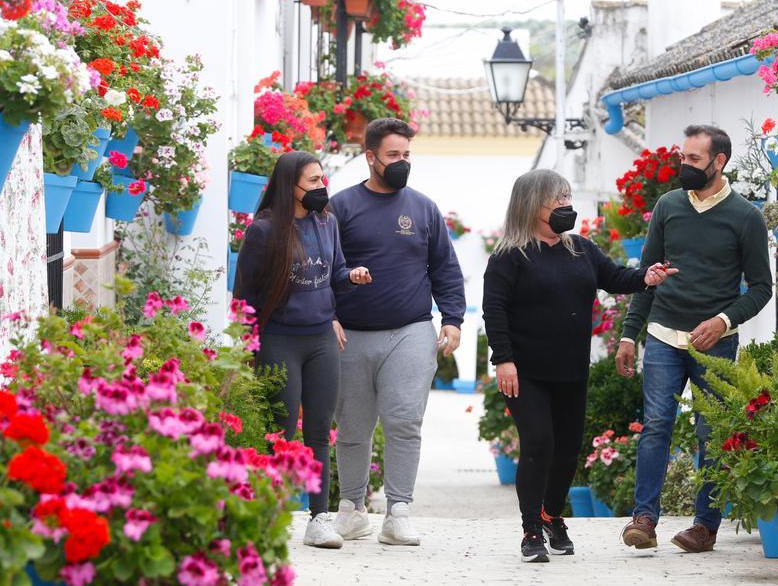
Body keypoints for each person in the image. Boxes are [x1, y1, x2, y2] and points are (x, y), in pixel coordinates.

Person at [482, 169, 677, 563]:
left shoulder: (581, 249)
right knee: (539, 444)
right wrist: (503, 360)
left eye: (567, 197)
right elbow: (494, 310)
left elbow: (616, 277)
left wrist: (647, 277)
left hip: (571, 369)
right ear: (530, 205)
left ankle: (552, 516)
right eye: (556, 200)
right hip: (524, 371)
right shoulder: (509, 257)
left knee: (568, 450)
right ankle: (530, 530)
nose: (565, 206)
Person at [617, 125, 774, 553]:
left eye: (692, 159)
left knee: (712, 433)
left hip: (716, 342)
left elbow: (762, 287)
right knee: (655, 427)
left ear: (718, 162)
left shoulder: (746, 217)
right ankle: (644, 519)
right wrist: (630, 335)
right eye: (682, 157)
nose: (682, 165)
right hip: (664, 335)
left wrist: (723, 321)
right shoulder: (667, 206)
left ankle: (705, 526)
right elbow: (647, 276)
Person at [329, 117, 466, 546]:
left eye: (407, 154)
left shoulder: (423, 208)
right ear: (370, 157)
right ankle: (351, 509)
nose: (402, 162)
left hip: (410, 331)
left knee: (405, 421)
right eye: (393, 155)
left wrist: (452, 319)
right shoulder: (340, 207)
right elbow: (322, 266)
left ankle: (399, 511)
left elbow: (445, 267)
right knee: (352, 427)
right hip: (349, 334)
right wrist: (327, 313)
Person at [231, 150, 373, 549]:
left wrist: (353, 276)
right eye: (312, 181)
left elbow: (336, 273)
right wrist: (247, 344)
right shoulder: (263, 231)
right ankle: (269, 516)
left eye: (322, 179)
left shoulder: (327, 223)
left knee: (318, 434)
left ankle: (319, 518)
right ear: (289, 186)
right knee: (280, 430)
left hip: (321, 340)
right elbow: (244, 294)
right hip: (279, 340)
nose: (321, 187)